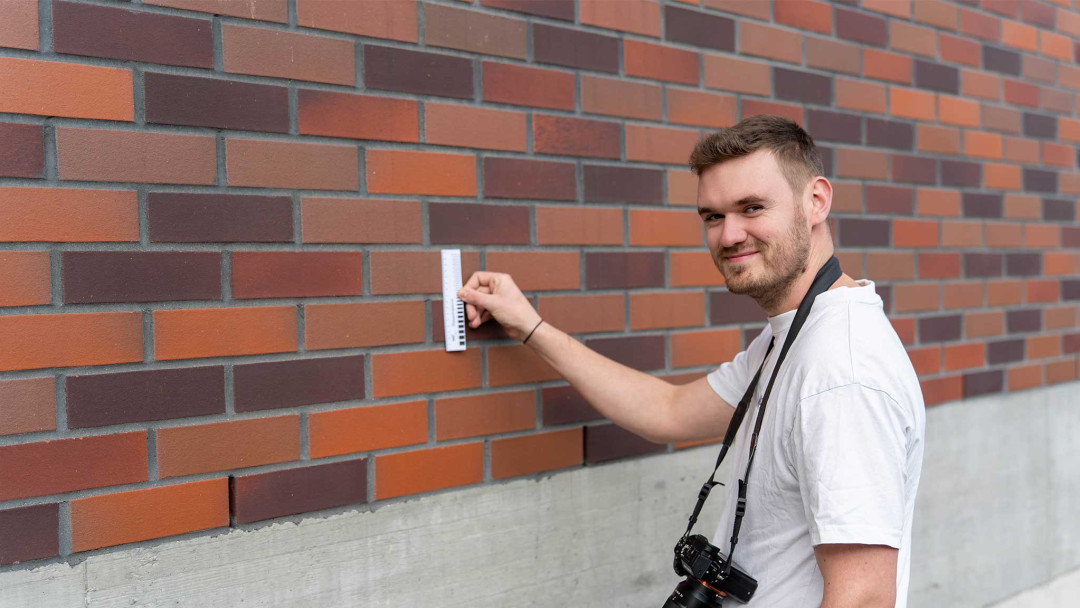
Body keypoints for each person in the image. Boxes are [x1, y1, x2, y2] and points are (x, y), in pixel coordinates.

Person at [457, 115, 925, 607]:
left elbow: (866, 597)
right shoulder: (794, 338)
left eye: (751, 207)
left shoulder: (840, 370)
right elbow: (669, 410)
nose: (728, 236)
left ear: (816, 201)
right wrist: (530, 326)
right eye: (713, 216)